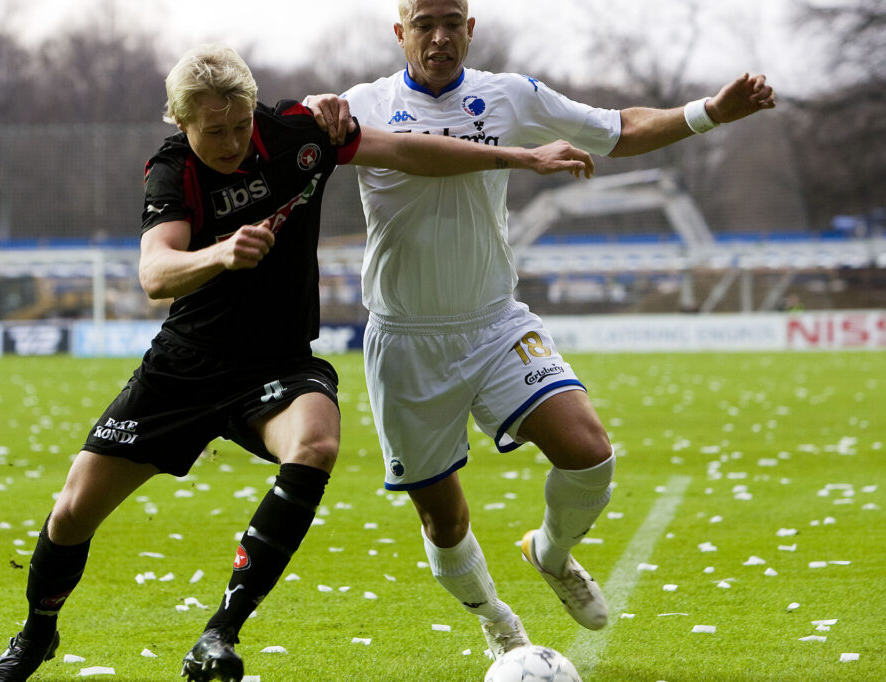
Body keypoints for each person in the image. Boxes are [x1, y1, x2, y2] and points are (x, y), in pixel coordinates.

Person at [0, 43, 597, 682]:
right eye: (212, 131)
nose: (230, 142)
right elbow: (155, 273)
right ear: (181, 124)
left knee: (316, 442)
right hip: (184, 368)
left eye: (240, 124)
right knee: (74, 511)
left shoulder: (300, 136)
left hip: (276, 366)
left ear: (254, 108)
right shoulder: (172, 172)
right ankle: (35, 637)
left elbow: (408, 150)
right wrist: (216, 256)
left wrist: (519, 156)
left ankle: (219, 633)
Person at [306, 0, 776, 660]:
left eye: (452, 23)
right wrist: (316, 108)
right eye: (424, 24)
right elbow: (297, 138)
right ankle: (494, 615)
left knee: (590, 451)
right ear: (399, 31)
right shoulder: (363, 104)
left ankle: (551, 553)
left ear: (470, 29)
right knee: (444, 520)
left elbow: (619, 129)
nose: (439, 38)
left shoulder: (508, 96)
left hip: (495, 321)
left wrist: (710, 113)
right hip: (406, 340)